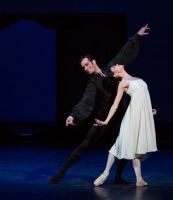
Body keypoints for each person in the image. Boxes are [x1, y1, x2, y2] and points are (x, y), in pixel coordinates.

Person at [48, 24, 150, 184]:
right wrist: (73, 114)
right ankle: (62, 172)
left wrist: (136, 36)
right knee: (86, 143)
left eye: (87, 65)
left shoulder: (112, 68)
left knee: (124, 144)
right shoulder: (93, 82)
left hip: (122, 114)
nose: (86, 68)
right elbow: (86, 100)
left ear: (94, 62)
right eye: (83, 67)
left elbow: (124, 53)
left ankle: (118, 176)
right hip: (103, 118)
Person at [93, 64, 158, 187]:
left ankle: (139, 179)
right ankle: (105, 173)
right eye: (113, 67)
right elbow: (115, 105)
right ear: (116, 74)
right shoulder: (123, 84)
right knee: (119, 144)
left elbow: (142, 98)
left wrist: (149, 111)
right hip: (131, 117)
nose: (116, 65)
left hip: (140, 116)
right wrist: (106, 121)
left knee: (136, 146)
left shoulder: (137, 78)